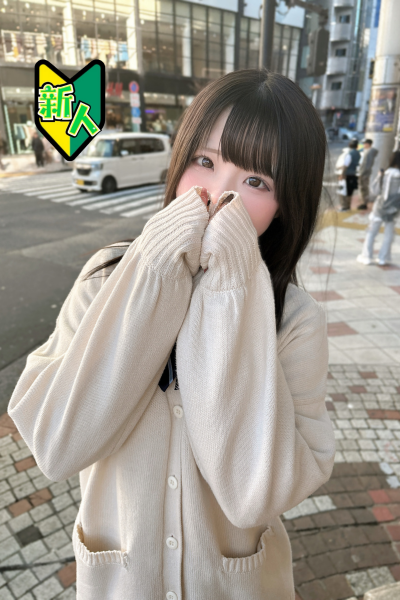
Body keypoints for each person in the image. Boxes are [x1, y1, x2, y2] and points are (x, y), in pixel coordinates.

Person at [8, 69, 336, 600]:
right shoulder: (106, 280)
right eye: (204, 161)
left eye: (257, 182)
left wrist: (230, 292)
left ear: (287, 204)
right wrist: (154, 272)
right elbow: (56, 445)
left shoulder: (295, 321)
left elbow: (256, 496)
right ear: (179, 160)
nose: (220, 194)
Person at [357, 151, 400, 266]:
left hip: (380, 207)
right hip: (393, 209)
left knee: (371, 232)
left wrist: (379, 176)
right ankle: (383, 258)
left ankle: (367, 257)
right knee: (389, 234)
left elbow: (375, 191)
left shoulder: (385, 173)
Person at [337, 138, 361, 211]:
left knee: (344, 191)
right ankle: (348, 206)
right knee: (350, 191)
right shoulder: (358, 153)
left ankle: (345, 207)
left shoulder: (350, 154)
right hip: (354, 174)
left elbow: (346, 165)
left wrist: (342, 174)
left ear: (350, 144)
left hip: (347, 175)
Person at [357, 138, 378, 209]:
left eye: (364, 143)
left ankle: (364, 203)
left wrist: (361, 173)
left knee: (364, 188)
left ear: (368, 144)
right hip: (364, 173)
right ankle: (364, 202)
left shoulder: (369, 152)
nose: (363, 145)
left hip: (364, 173)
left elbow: (367, 165)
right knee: (363, 188)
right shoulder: (367, 151)